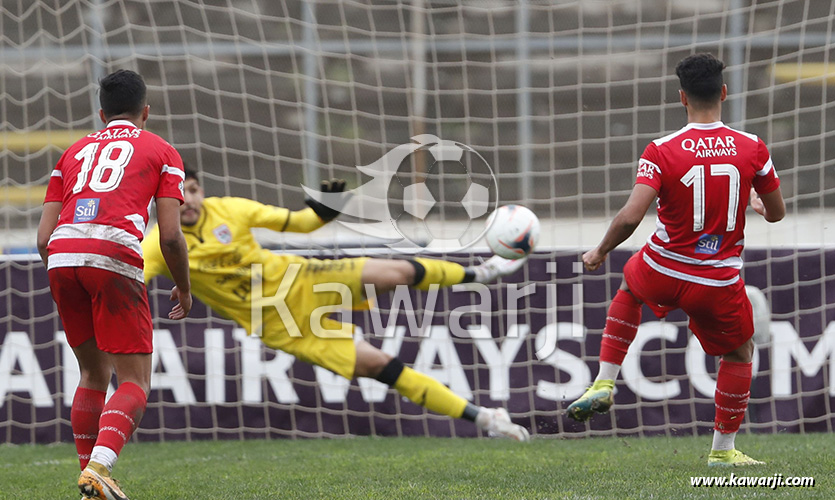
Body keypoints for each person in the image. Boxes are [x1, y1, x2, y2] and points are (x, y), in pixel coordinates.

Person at [141, 170, 530, 441]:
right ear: (164, 201)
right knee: (382, 367)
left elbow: (300, 222)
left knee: (395, 271)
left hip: (304, 279)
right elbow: (130, 275)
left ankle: (482, 273)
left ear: (201, 190)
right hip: (282, 327)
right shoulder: (159, 244)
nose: (187, 199)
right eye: (178, 193)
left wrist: (324, 211)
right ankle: (485, 418)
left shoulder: (232, 210)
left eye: (192, 189)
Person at [566, 53, 785, 466]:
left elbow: (632, 216)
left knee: (631, 285)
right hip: (717, 281)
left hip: (663, 267)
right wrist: (757, 203)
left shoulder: (661, 150)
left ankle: (603, 381)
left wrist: (599, 251)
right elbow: (777, 213)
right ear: (723, 92)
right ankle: (723, 452)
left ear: (681, 97)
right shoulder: (753, 147)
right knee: (739, 353)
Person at [37, 69, 192, 500]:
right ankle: (101, 469)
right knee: (135, 381)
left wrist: (69, 270)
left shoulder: (72, 152)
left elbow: (42, 239)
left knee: (92, 372)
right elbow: (171, 235)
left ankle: (90, 478)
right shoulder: (161, 150)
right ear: (146, 111)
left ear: (101, 113)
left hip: (62, 256)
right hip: (113, 252)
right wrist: (184, 286)